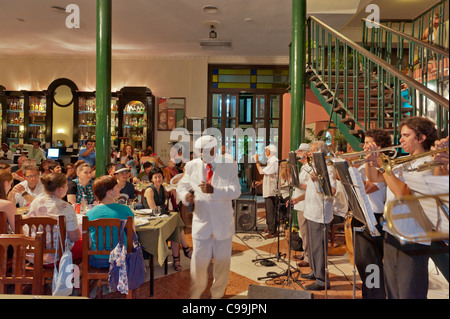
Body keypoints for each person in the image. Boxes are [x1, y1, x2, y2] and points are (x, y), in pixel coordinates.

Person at [365, 116, 438, 299]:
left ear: (421, 138)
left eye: (406, 135)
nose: (400, 140)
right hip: (392, 232)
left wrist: (383, 166)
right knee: (393, 291)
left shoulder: (429, 162)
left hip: (413, 237)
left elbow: (404, 193)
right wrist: (371, 160)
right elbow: (375, 178)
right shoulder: (405, 160)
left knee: (409, 292)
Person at [177, 135, 241, 299]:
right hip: (201, 219)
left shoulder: (229, 164)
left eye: (204, 152)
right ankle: (196, 293)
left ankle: (217, 294)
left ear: (214, 149)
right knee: (198, 259)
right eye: (198, 153)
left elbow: (236, 191)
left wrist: (215, 190)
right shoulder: (191, 165)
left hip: (223, 220)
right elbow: (182, 185)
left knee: (222, 261)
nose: (200, 156)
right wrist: (186, 196)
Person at [351, 128, 392, 299]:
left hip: (374, 218)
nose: (365, 146)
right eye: (365, 142)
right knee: (361, 262)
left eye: (369, 143)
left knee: (372, 264)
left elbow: (368, 187)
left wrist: (368, 162)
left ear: (379, 146)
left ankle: (376, 295)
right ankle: (368, 293)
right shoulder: (365, 165)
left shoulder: (385, 165)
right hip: (360, 215)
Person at [300, 141, 337, 291]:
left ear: (320, 153)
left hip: (320, 213)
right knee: (313, 246)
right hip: (310, 211)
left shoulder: (328, 168)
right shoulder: (315, 167)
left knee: (319, 248)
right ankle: (314, 272)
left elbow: (332, 190)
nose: (309, 152)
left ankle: (322, 280)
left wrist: (320, 179)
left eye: (312, 150)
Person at [26, 173, 82, 263]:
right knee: (85, 245)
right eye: (66, 186)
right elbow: (74, 237)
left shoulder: (35, 202)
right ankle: (75, 274)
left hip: (32, 252)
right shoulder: (66, 207)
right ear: (60, 189)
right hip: (56, 255)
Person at [143, 167, 191, 271]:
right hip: (150, 220)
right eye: (155, 177)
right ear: (151, 179)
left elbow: (167, 195)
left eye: (159, 177)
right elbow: (153, 210)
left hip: (159, 217)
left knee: (176, 226)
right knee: (176, 223)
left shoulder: (161, 188)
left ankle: (179, 256)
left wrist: (172, 191)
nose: (158, 179)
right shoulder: (149, 190)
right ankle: (183, 251)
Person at [86, 175, 135, 268]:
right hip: (121, 259)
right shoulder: (125, 210)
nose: (120, 188)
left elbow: (89, 242)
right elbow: (132, 236)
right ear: (109, 192)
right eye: (116, 187)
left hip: (98, 259)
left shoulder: (90, 214)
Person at [289, 143, 312, 267]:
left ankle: (308, 257)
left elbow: (311, 187)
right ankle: (305, 252)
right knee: (302, 232)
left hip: (305, 204)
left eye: (300, 152)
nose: (297, 155)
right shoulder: (303, 168)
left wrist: (297, 184)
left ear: (306, 154)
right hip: (299, 203)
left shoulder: (310, 167)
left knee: (305, 232)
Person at [253, 144, 279, 239]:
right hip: (268, 189)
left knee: (271, 211)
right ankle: (270, 228)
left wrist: (256, 161)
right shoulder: (271, 161)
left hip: (272, 191)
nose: (265, 152)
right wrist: (260, 182)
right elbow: (268, 176)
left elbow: (261, 172)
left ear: (271, 152)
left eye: (267, 151)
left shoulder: (274, 162)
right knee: (269, 211)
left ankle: (272, 231)